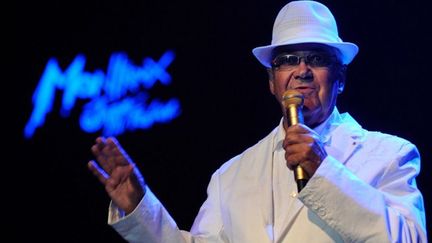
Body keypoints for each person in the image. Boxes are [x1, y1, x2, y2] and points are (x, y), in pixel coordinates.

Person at [87, 1, 427, 242]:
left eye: (317, 58)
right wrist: (140, 209)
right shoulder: (231, 175)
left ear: (340, 79)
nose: (302, 70)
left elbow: (408, 238)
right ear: (272, 82)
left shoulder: (389, 155)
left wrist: (323, 172)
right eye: (288, 60)